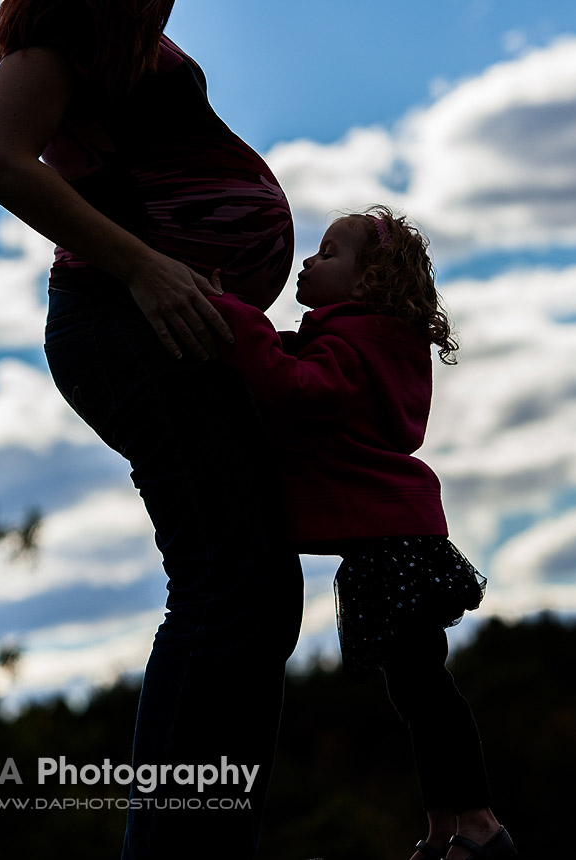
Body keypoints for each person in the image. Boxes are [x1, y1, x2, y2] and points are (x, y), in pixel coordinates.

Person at [0, 0, 304, 860]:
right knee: (229, 584)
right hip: (123, 321)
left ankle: (201, 838)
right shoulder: (67, 13)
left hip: (165, 322)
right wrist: (148, 265)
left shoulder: (119, 20)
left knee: (252, 583)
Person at [210, 206, 518, 860]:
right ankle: (443, 830)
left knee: (426, 692)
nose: (308, 261)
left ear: (368, 281)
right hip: (392, 538)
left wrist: (238, 318)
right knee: (415, 691)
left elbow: (294, 388)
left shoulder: (352, 346)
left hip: (390, 542)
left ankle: (481, 826)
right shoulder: (361, 339)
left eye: (327, 253)